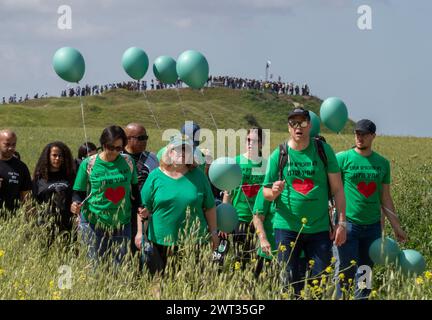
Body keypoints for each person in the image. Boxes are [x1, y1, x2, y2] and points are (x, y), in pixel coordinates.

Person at [263, 107, 347, 295]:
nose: (297, 126)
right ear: (288, 127)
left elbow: (338, 189)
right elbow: (265, 192)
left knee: (320, 284)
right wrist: (274, 191)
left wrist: (341, 222)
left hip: (319, 229)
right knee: (287, 282)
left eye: (302, 122)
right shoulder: (280, 154)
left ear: (309, 125)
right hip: (287, 227)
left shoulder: (323, 151)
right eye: (293, 123)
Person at [335, 119, 407, 299]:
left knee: (365, 273)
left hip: (373, 227)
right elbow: (332, 190)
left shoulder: (382, 163)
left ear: (373, 136)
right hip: (349, 225)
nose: (360, 137)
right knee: (346, 271)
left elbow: (385, 198)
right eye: (357, 133)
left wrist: (396, 227)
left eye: (364, 134)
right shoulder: (342, 158)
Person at [135, 135, 219, 275]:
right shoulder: (155, 176)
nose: (182, 153)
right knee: (159, 282)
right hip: (160, 240)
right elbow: (143, 208)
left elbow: (210, 207)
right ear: (170, 152)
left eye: (186, 149)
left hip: (193, 240)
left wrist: (214, 233)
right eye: (178, 149)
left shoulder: (199, 176)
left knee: (191, 283)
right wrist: (140, 233)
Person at [70, 125, 141, 266]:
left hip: (121, 223)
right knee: (94, 268)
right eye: (110, 147)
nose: (114, 152)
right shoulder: (89, 163)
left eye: (119, 148)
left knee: (119, 269)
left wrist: (140, 207)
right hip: (93, 223)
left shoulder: (128, 162)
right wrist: (75, 203)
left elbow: (135, 190)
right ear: (103, 144)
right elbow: (78, 192)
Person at [223, 128, 267, 269]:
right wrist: (225, 220)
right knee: (239, 258)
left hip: (260, 219)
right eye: (248, 140)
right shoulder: (235, 162)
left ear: (261, 144)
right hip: (239, 217)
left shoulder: (266, 165)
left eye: (255, 141)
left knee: (257, 260)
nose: (250, 143)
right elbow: (227, 193)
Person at [123, 122, 159, 254]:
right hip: (123, 211)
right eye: (141, 138)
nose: (145, 141)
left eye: (146, 137)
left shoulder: (152, 158)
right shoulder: (118, 157)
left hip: (146, 212)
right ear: (127, 139)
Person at [32, 141, 76, 245]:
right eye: (54, 155)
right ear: (47, 156)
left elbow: (76, 196)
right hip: (45, 225)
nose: (57, 158)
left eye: (60, 156)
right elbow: (33, 202)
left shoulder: (70, 176)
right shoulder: (39, 177)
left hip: (67, 226)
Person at [0, 130, 32, 214]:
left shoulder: (21, 167)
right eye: (7, 144)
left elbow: (26, 198)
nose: (11, 148)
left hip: (12, 220)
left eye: (13, 144)